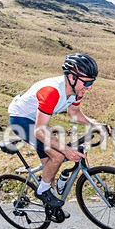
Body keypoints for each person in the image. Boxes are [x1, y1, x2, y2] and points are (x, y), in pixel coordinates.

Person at [8, 53, 106, 208]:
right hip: (20, 119)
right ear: (72, 78)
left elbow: (74, 112)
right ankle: (42, 191)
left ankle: (49, 202)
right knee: (58, 155)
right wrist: (66, 150)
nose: (89, 87)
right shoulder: (52, 92)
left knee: (51, 165)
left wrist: (94, 123)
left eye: (92, 82)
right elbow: (39, 131)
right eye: (87, 82)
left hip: (38, 121)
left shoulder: (76, 91)